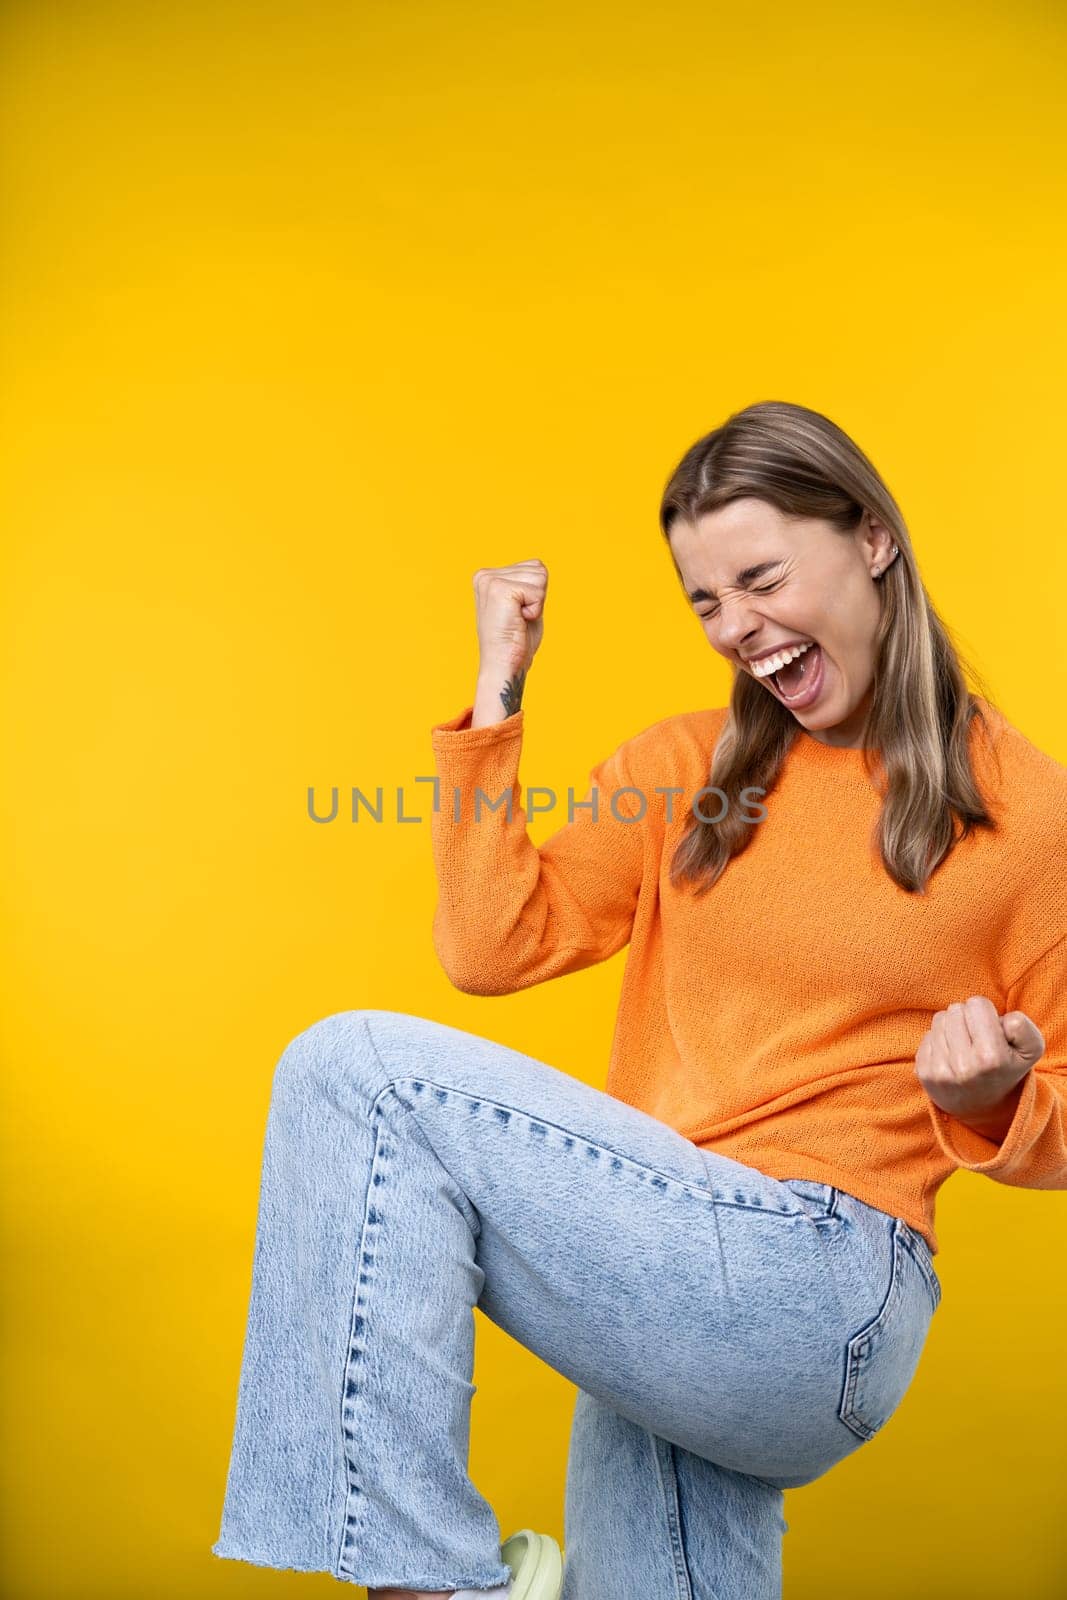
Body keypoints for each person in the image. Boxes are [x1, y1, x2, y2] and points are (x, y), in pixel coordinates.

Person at [210, 400, 1066, 1600]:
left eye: (759, 577)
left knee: (356, 1073)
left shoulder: (1025, 814)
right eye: (706, 602)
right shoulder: (688, 771)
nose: (737, 628)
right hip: (672, 1267)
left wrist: (989, 1100)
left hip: (816, 1284)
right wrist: (497, 690)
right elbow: (491, 943)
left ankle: (424, 1583)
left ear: (870, 536)